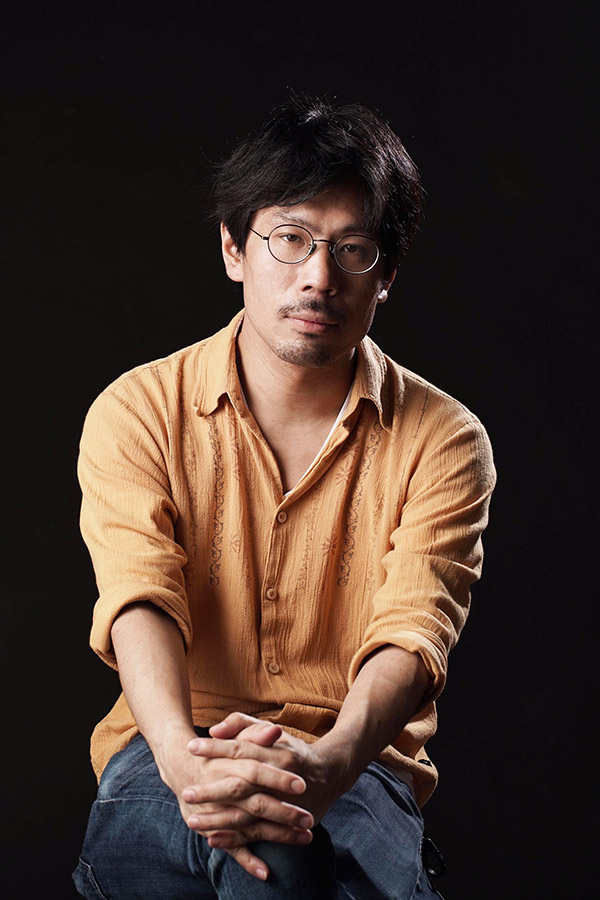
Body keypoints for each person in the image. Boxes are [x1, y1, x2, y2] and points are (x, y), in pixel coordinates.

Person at [73, 94, 496, 900]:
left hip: (358, 762)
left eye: (353, 250)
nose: (318, 277)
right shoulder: (138, 410)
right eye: (290, 238)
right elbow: (139, 595)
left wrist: (328, 763)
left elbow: (413, 635)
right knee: (259, 854)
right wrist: (185, 762)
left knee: (290, 854)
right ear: (234, 249)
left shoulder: (444, 438)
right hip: (165, 748)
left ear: (386, 275)